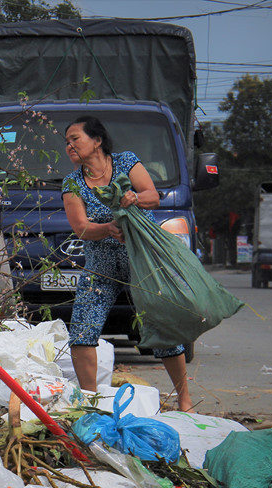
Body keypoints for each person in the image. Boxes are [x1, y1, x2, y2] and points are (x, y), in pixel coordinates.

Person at [61, 115, 193, 411]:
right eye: (66, 142)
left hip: (141, 263)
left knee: (162, 331)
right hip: (101, 268)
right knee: (81, 332)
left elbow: (152, 196)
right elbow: (81, 227)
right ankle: (91, 403)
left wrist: (134, 198)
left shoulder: (126, 162)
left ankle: (185, 400)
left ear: (97, 141)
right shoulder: (72, 183)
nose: (69, 146)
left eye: (75, 139)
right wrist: (108, 229)